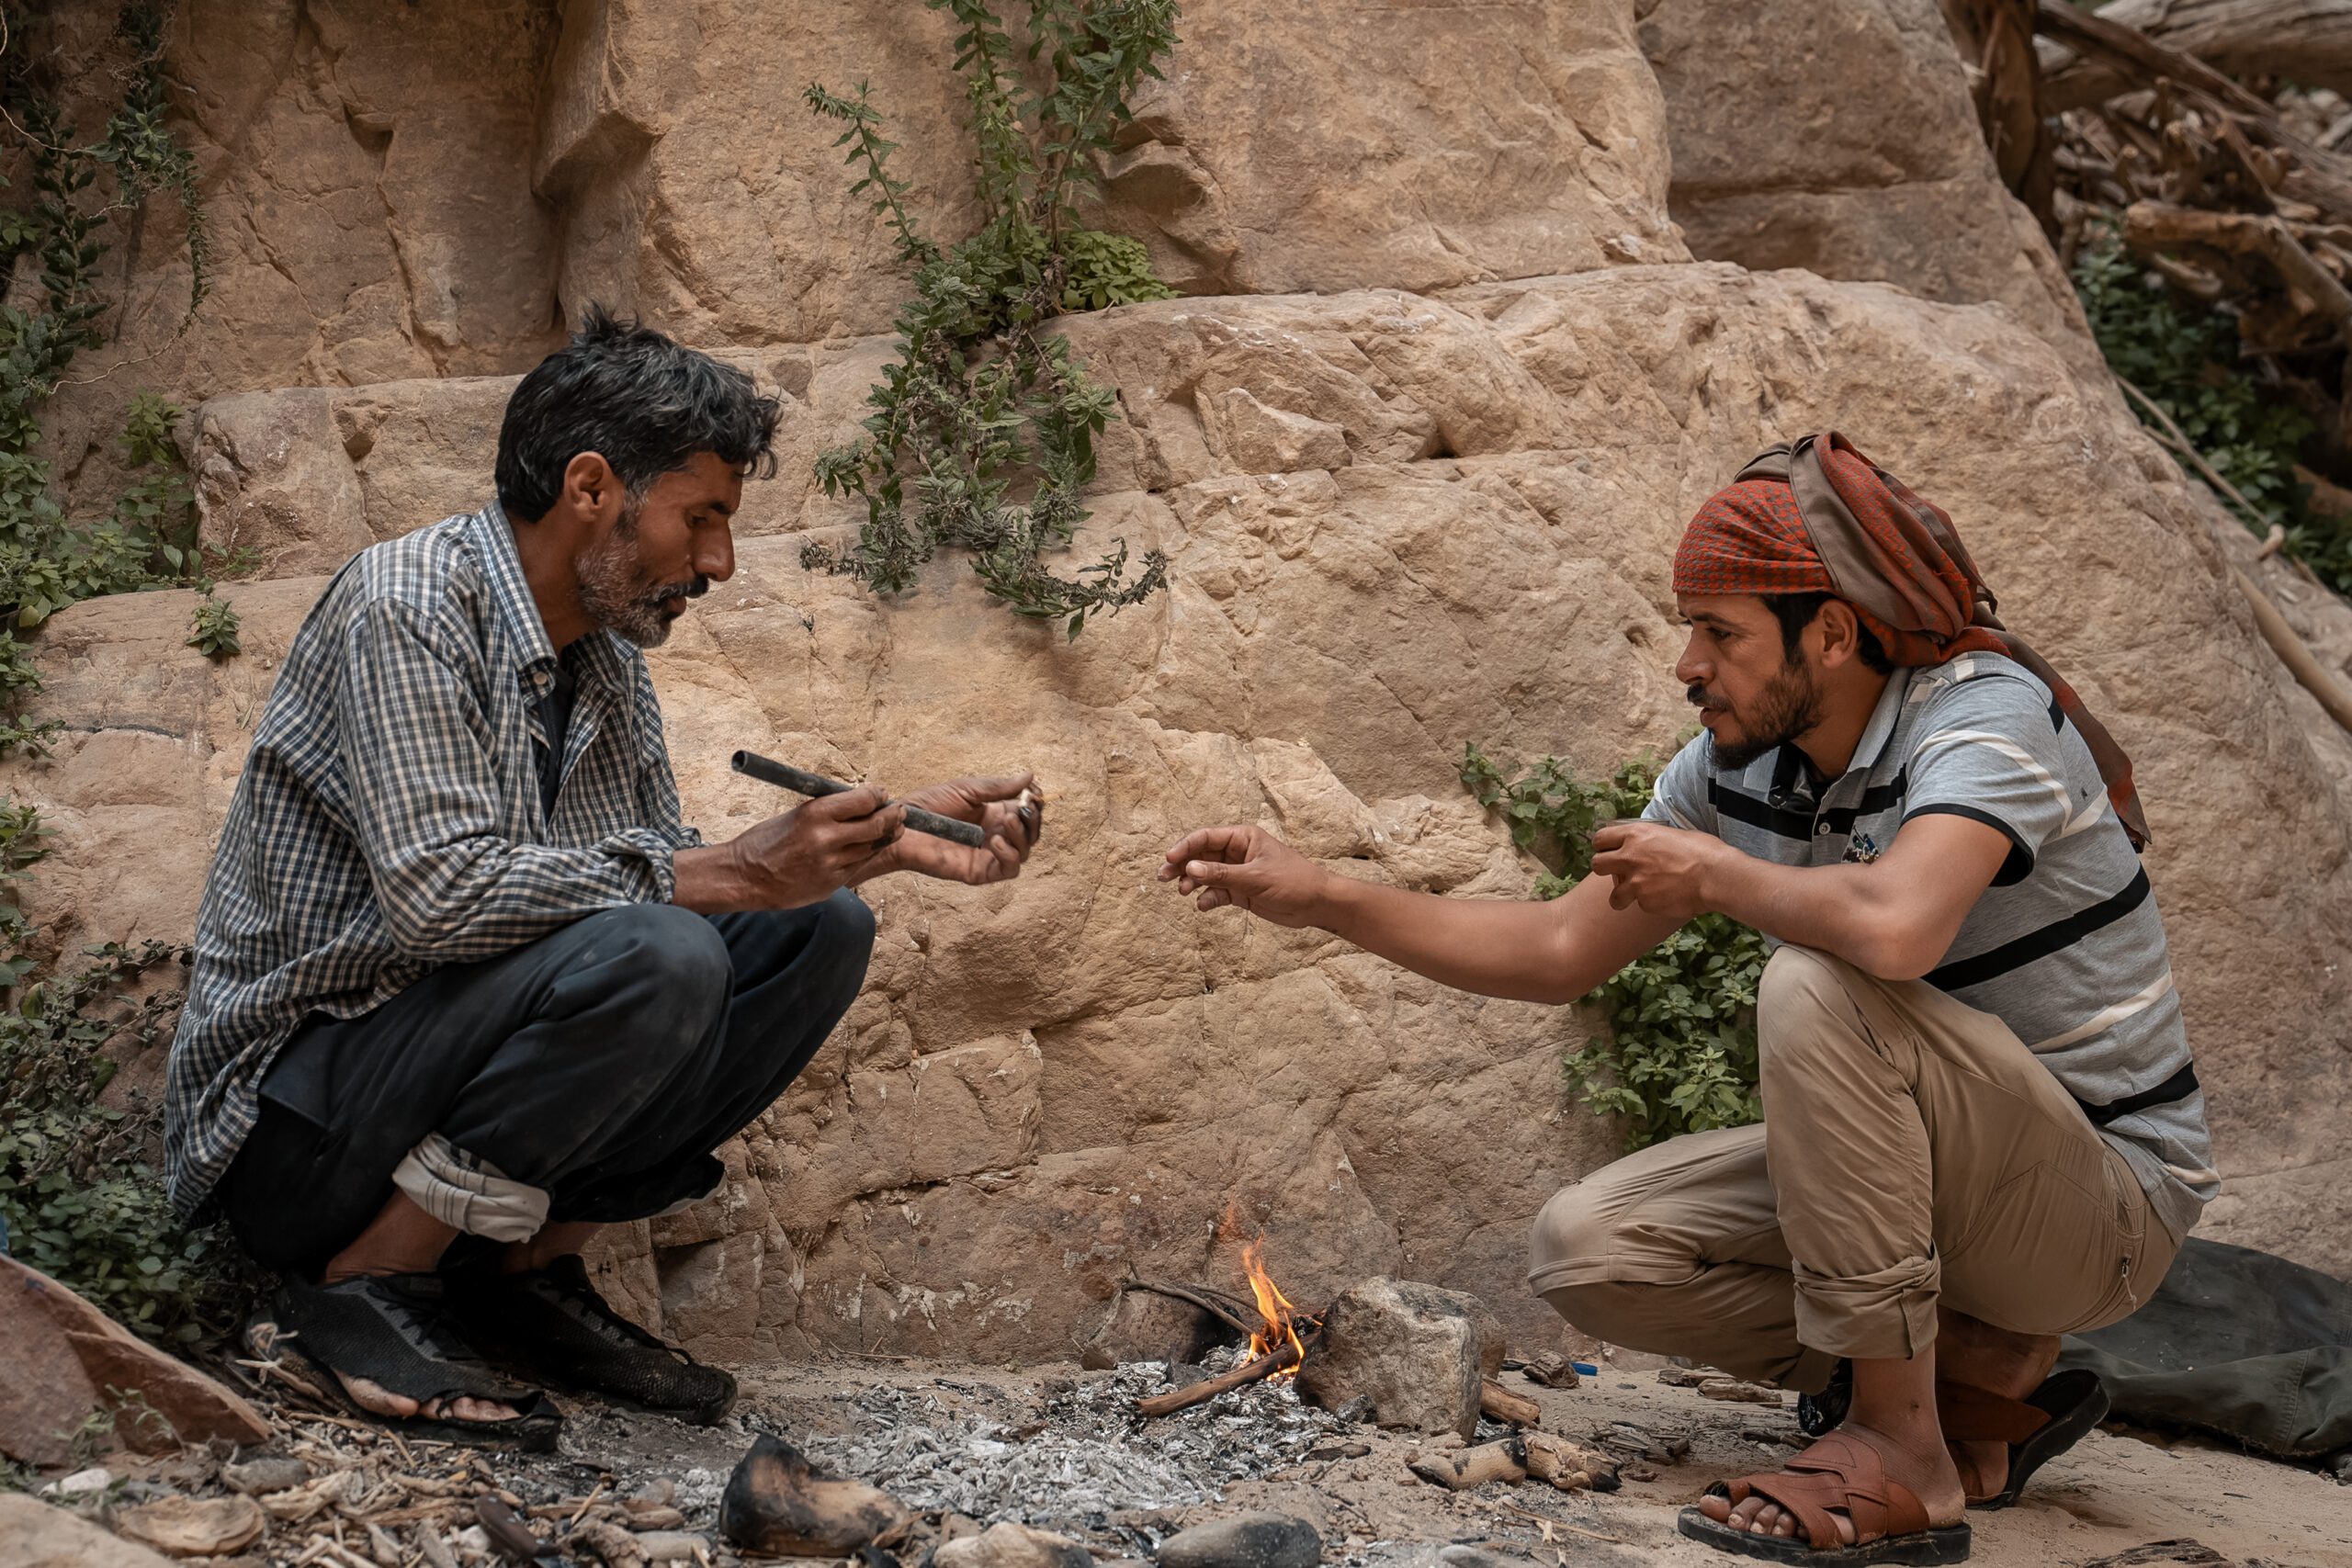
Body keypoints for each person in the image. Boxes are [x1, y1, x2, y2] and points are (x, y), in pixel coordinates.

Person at [1159, 434, 2213, 1565]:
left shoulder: (1981, 716)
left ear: (1834, 631)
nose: (1686, 665)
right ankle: (1974, 1397)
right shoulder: (1732, 769)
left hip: (2101, 1209)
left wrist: (1711, 874)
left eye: (1719, 632)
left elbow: (1898, 928)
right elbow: (1560, 946)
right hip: (1940, 1192)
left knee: (1820, 980)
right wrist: (1318, 892)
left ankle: (1898, 1445)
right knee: (1592, 1247)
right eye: (1688, 629)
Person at [164, 308, 1041, 1449]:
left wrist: (876, 842)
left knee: (817, 927)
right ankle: (365, 1288)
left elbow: (647, 873)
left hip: (412, 1092)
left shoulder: (605, 664)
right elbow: (442, 898)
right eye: (702, 518)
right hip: (296, 1131)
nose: (718, 563)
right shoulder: (407, 604)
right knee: (663, 943)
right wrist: (729, 870)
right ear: (590, 487)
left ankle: (522, 1276)